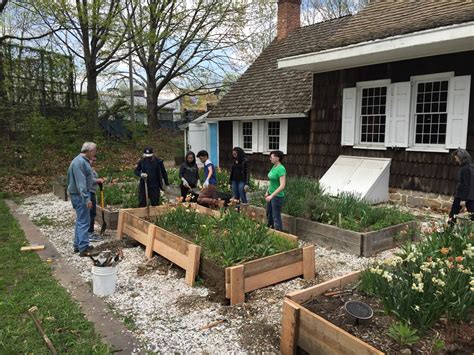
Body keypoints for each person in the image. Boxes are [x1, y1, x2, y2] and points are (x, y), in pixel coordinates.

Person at [67, 142, 100, 257]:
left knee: (80, 220)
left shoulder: (80, 161)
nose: (95, 153)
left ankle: (77, 245)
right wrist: (87, 199)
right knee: (84, 222)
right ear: (89, 151)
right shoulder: (80, 163)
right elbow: (81, 183)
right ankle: (84, 248)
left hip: (78, 195)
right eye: (94, 151)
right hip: (80, 196)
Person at [448, 148, 474, 225]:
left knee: (453, 214)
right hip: (471, 196)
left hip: (462, 195)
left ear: (462, 158)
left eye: (457, 158)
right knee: (472, 216)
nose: (456, 160)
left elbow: (466, 184)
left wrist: (463, 200)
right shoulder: (471, 167)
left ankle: (449, 231)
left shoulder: (465, 169)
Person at [265, 150, 286, 231]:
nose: (270, 158)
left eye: (272, 157)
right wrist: (267, 191)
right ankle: (270, 230)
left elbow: (282, 185)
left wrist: (272, 196)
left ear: (277, 158)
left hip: (277, 197)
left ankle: (278, 233)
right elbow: (272, 181)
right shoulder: (274, 167)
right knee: (269, 214)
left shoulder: (281, 169)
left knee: (276, 216)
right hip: (270, 194)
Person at [88, 156, 104, 241]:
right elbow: (89, 180)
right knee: (91, 213)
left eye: (94, 160)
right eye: (92, 159)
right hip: (89, 192)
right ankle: (89, 233)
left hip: (92, 192)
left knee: (92, 213)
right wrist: (98, 180)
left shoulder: (91, 168)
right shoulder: (86, 169)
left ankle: (90, 232)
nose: (93, 161)